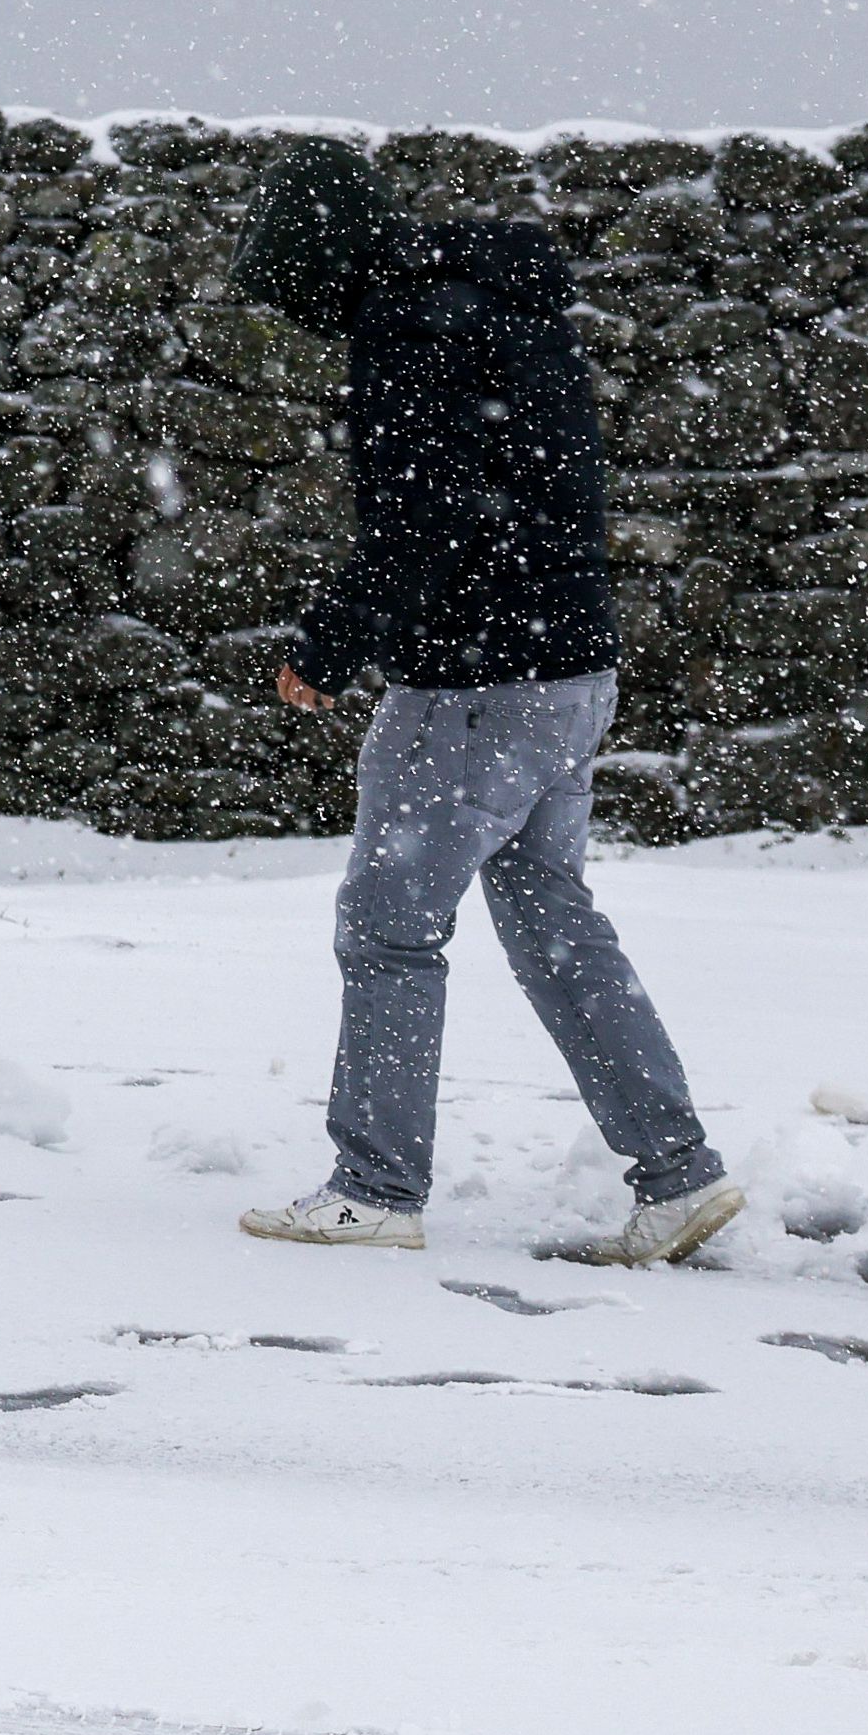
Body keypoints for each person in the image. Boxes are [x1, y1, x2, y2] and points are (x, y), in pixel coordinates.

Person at [231, 136, 740, 1266]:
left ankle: (372, 1187)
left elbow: (424, 514)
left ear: (319, 257)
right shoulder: (501, 303)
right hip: (569, 666)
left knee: (385, 925)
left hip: (472, 679)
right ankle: (676, 1174)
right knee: (551, 920)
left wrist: (332, 641)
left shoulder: (409, 328)